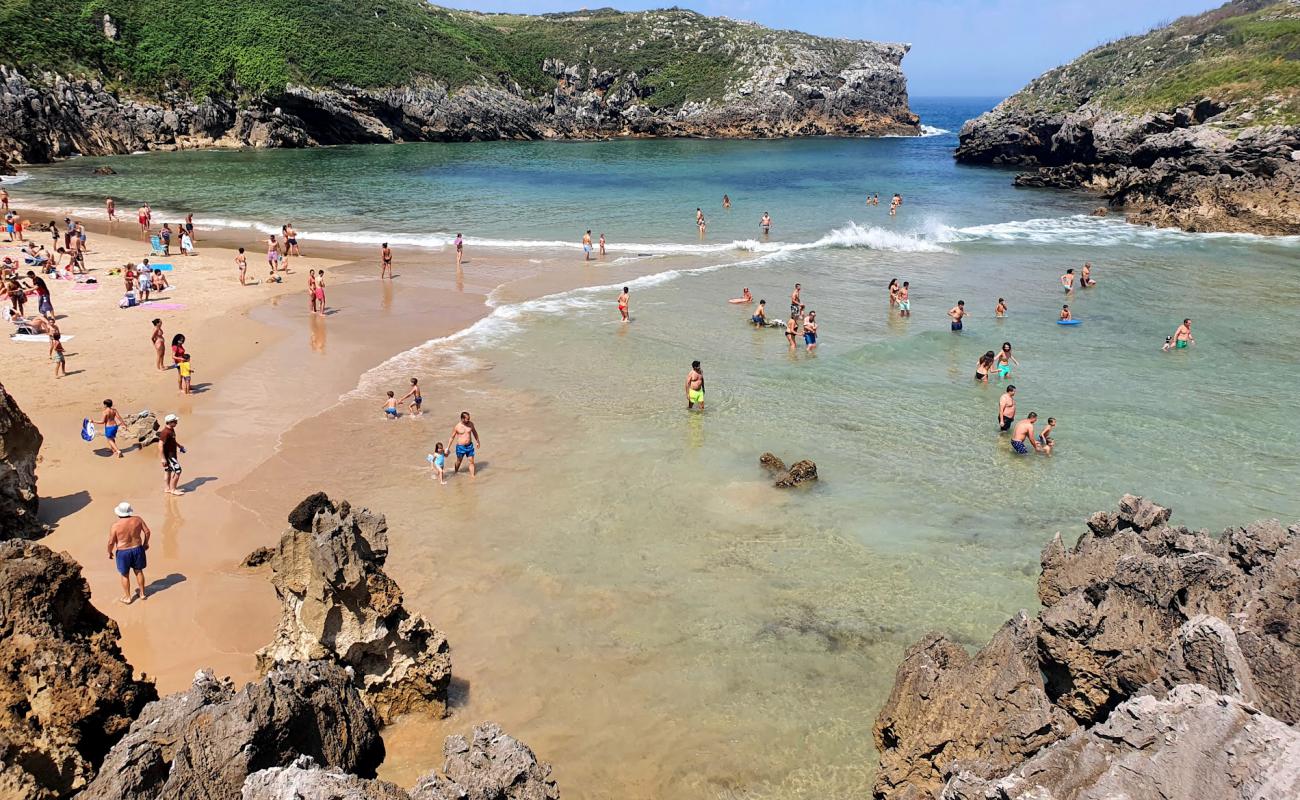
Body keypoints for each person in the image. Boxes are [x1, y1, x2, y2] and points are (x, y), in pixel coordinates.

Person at [108, 502, 151, 604]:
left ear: (118, 513)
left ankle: (128, 598)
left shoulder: (116, 526)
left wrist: (109, 552)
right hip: (137, 549)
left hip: (123, 552)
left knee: (125, 575)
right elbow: (147, 532)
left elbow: (111, 542)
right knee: (139, 571)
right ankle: (142, 594)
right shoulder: (138, 520)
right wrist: (145, 543)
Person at [447, 411, 481, 476]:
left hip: (469, 446)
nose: (469, 420)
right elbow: (452, 437)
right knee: (459, 462)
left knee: (471, 462)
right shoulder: (457, 426)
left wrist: (477, 441)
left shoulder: (471, 424)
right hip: (460, 447)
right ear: (462, 419)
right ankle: (455, 472)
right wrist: (448, 448)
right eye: (467, 419)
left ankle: (473, 477)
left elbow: (474, 432)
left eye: (469, 418)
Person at [158, 413, 185, 495]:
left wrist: (179, 446)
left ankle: (167, 488)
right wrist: (163, 458)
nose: (176, 422)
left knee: (168, 470)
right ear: (170, 422)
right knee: (178, 471)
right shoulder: (165, 432)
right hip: (169, 456)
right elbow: (160, 445)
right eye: (175, 421)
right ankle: (173, 489)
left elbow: (172, 440)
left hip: (171, 455)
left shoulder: (171, 430)